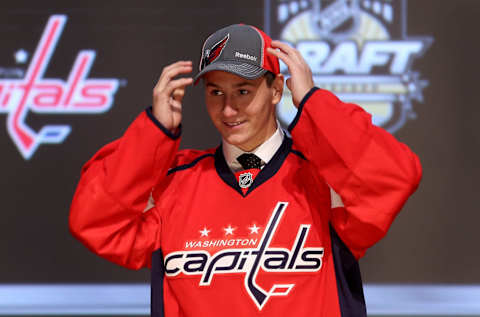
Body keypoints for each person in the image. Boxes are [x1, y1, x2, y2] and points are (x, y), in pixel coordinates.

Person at [69, 24, 421, 317]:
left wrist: (313, 102)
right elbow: (94, 218)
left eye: (243, 90)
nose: (228, 109)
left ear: (277, 90)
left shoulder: (324, 177)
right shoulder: (174, 183)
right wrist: (155, 133)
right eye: (215, 92)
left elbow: (395, 176)